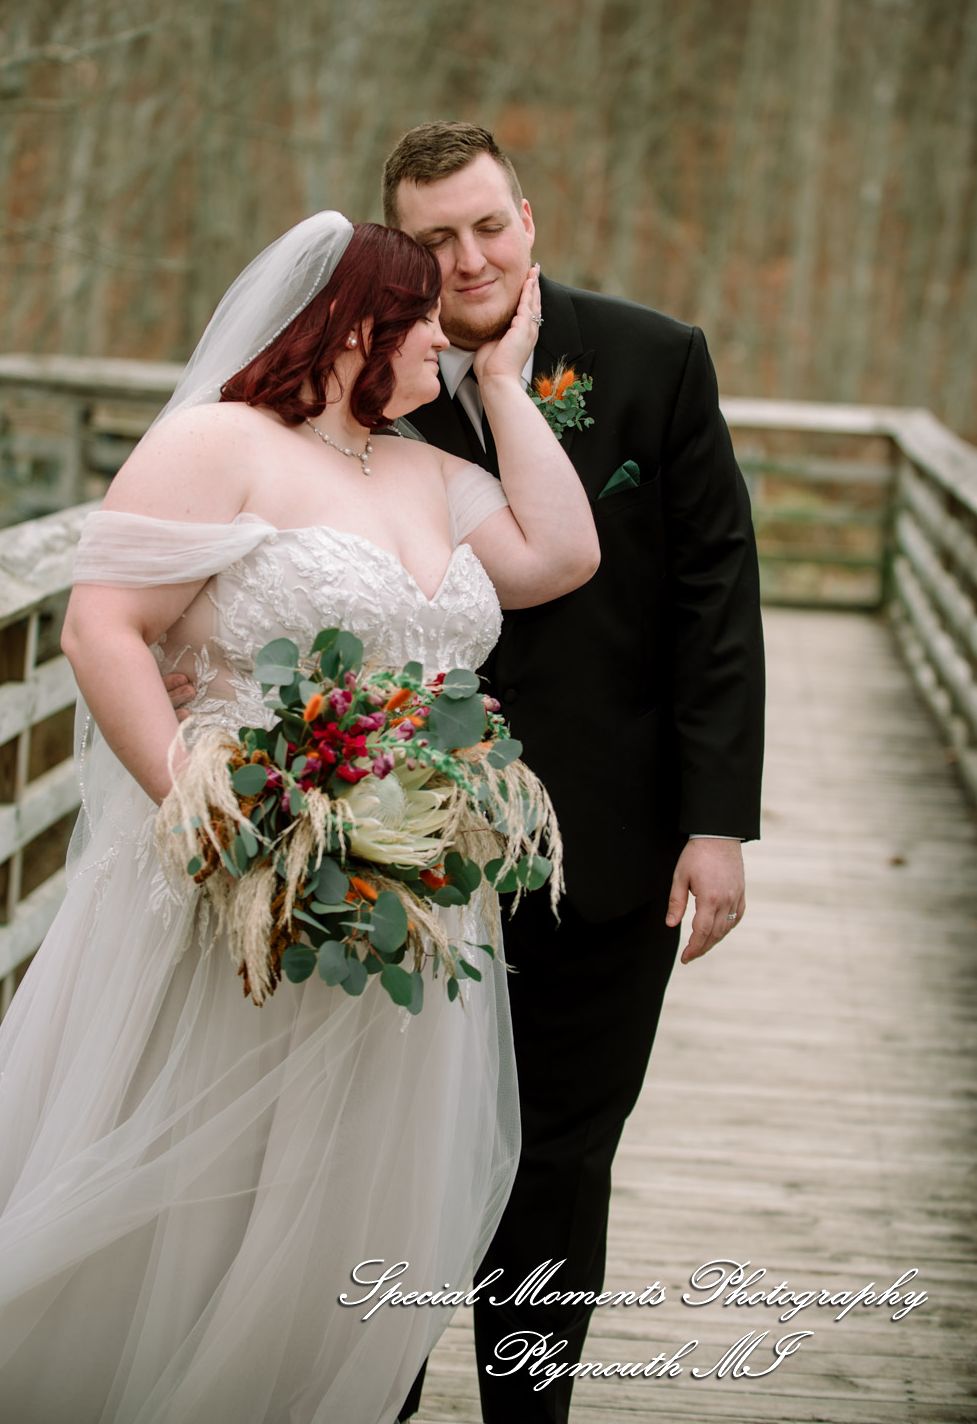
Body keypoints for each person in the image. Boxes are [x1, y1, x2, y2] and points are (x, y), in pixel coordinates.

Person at [0, 214, 598, 1424]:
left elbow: (561, 555)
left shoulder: (427, 467)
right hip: (236, 884)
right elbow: (100, 628)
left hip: (397, 903)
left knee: (334, 1209)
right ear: (350, 322)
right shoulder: (219, 442)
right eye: (423, 316)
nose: (443, 334)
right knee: (191, 1196)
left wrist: (501, 387)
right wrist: (218, 819)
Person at [383, 124, 766, 1424]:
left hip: (611, 843)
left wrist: (716, 824)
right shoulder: (365, 379)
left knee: (558, 1161)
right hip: (400, 843)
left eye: (485, 225)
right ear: (400, 248)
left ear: (528, 220)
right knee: (388, 1162)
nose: (466, 256)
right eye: (432, 238)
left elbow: (717, 592)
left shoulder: (652, 360)